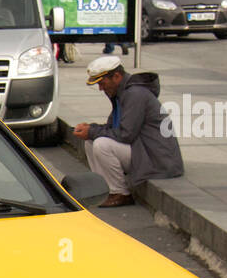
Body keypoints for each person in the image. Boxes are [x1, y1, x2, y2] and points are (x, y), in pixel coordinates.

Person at [72, 55, 182, 208]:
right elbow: (113, 127)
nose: (100, 88)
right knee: (90, 142)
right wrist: (90, 129)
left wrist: (92, 131)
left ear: (116, 77)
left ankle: (120, 193)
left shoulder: (134, 94)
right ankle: (105, 190)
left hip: (157, 158)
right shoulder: (121, 93)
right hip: (142, 149)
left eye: (102, 83)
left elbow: (125, 134)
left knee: (101, 145)